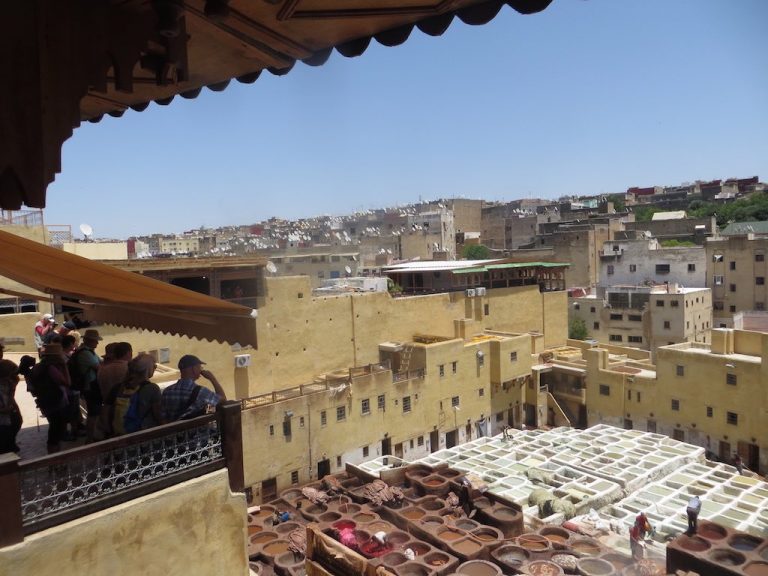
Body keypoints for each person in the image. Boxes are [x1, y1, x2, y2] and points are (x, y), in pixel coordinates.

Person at [106, 354, 164, 436]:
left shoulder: (117, 388)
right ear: (148, 369)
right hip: (142, 436)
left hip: (118, 435)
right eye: (154, 366)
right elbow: (158, 416)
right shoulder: (152, 389)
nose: (155, 368)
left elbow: (105, 414)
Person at [29, 343, 71, 453]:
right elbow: (67, 382)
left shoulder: (38, 367)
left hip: (46, 402)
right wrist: (64, 366)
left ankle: (55, 457)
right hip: (56, 403)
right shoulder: (51, 368)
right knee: (55, 432)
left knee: (54, 428)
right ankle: (54, 459)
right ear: (55, 356)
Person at [161, 355, 226, 421]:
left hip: (175, 430)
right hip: (197, 431)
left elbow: (163, 416)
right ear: (194, 369)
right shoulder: (201, 392)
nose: (201, 369)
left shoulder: (167, 392)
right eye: (200, 367)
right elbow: (223, 401)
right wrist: (212, 379)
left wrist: (205, 410)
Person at [70, 329, 102, 441]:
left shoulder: (88, 351)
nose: (97, 343)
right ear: (89, 340)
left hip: (90, 386)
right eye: (96, 341)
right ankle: (90, 438)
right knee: (93, 414)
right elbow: (98, 367)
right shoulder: (85, 353)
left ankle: (92, 436)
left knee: (94, 413)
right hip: (90, 387)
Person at [0, 359, 22, 454]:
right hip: (2, 420)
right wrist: (4, 410)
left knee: (17, 422)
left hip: (6, 419)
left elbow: (10, 399)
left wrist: (12, 389)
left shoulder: (7, 384)